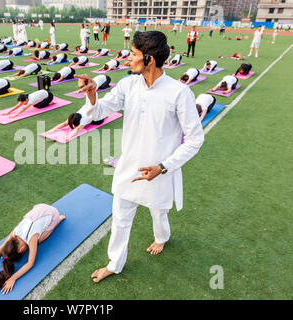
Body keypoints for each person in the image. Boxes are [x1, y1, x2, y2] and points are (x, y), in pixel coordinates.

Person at [74, 31, 204, 282]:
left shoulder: (179, 92)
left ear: (149, 59)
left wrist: (164, 167)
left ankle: (161, 238)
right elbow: (100, 110)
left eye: (133, 54)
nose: (127, 58)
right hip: (129, 168)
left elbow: (196, 139)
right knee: (120, 220)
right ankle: (114, 264)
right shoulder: (128, 84)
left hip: (159, 172)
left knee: (158, 214)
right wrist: (92, 94)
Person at [0, 203, 65, 294]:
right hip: (39, 207)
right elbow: (1, 248)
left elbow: (30, 263)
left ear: (22, 249)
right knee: (38, 235)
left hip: (52, 212)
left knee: (40, 240)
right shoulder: (15, 232)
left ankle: (58, 220)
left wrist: (13, 278)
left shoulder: (32, 238)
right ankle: (55, 219)